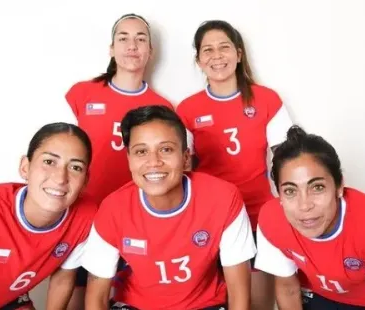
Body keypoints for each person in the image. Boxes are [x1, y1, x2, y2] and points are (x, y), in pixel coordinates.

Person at [81, 105, 257, 310]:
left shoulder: (224, 198)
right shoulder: (113, 209)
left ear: (185, 158)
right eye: (141, 151)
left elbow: (239, 295)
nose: (154, 162)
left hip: (204, 306)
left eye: (166, 149)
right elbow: (96, 298)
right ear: (129, 159)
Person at [175, 19, 293, 309]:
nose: (217, 56)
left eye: (224, 47)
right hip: (209, 217)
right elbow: (181, 169)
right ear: (199, 60)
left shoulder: (267, 99)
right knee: (217, 300)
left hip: (257, 214)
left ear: (239, 54)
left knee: (258, 302)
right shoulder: (187, 109)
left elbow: (288, 158)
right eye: (208, 50)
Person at [64, 13, 173, 308]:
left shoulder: (162, 107)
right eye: (123, 38)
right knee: (79, 295)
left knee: (123, 297)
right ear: (111, 48)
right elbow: (59, 151)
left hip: (134, 221)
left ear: (151, 51)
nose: (132, 45)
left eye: (141, 39)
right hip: (84, 215)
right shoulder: (81, 94)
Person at [254, 125, 365, 310]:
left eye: (317, 187)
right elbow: (288, 289)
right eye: (290, 191)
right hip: (321, 296)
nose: (305, 205)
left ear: (339, 185)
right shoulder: (271, 220)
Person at [0, 122, 98, 310]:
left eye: (75, 167)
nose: (60, 178)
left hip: (8, 302)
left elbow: (63, 278)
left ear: (85, 180)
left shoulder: (87, 216)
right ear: (25, 167)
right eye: (49, 162)